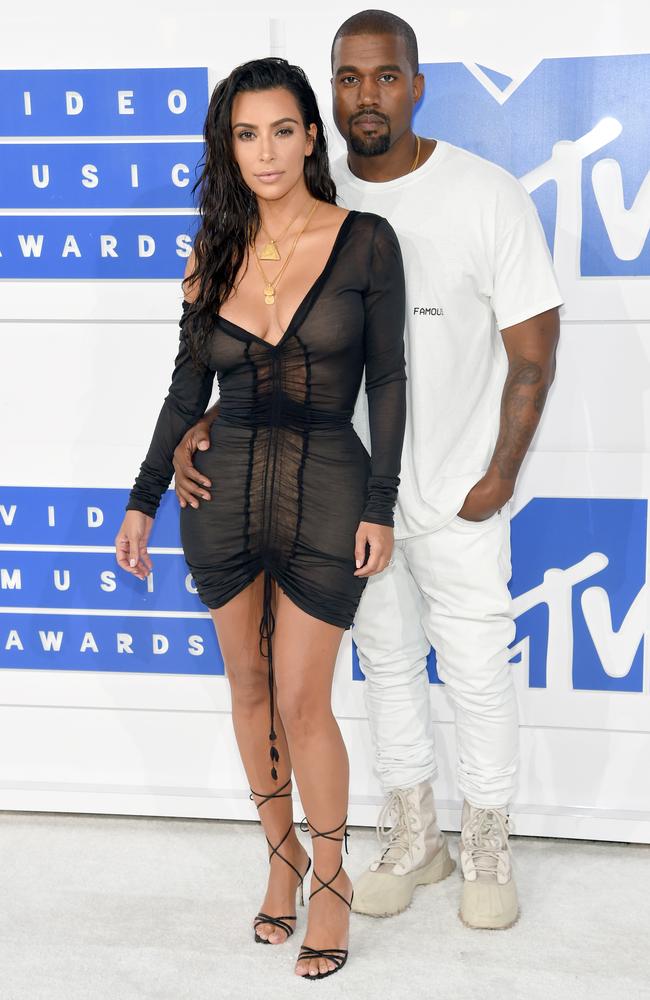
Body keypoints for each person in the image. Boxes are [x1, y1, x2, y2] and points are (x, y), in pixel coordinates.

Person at [171, 11, 563, 933]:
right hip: (347, 494)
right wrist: (207, 424)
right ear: (329, 95)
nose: (366, 96)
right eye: (348, 79)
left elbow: (534, 352)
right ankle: (414, 833)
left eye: (385, 78)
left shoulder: (486, 192)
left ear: (417, 84)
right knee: (385, 665)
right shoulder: (313, 187)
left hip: (461, 491)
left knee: (473, 666)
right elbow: (279, 344)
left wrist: (500, 474)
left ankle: (488, 843)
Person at [114, 57, 406, 981]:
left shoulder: (366, 241)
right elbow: (185, 389)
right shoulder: (213, 251)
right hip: (224, 490)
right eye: (246, 134)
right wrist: (144, 495)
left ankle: (332, 878)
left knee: (300, 699)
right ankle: (279, 864)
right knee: (247, 687)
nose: (266, 151)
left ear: (312, 135)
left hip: (328, 486)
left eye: (283, 130)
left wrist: (381, 504)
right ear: (226, 146)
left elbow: (392, 381)